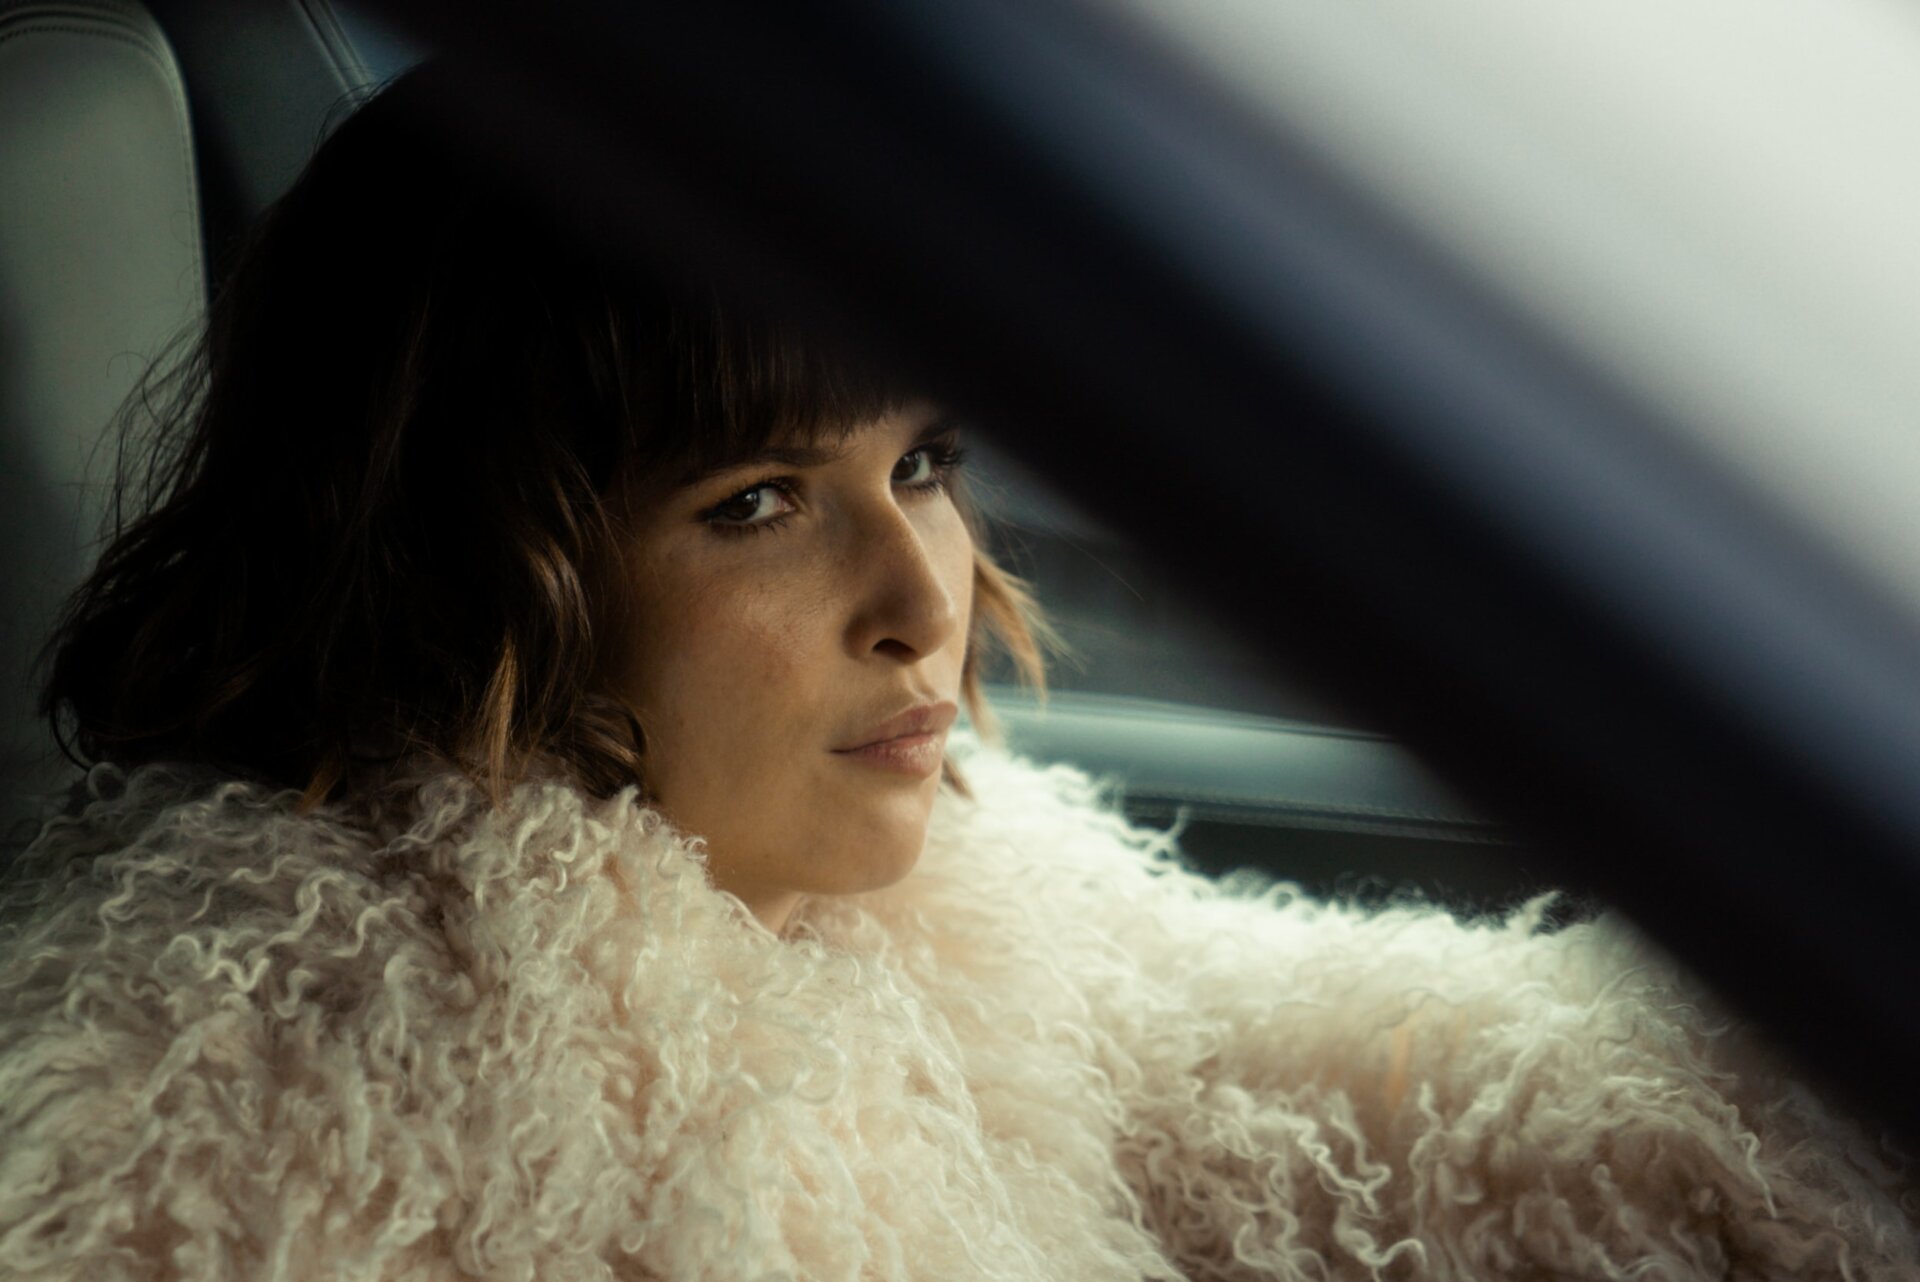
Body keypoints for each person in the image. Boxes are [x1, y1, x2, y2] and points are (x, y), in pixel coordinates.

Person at [1, 61, 1915, 1282]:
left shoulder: (947, 904)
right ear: (464, 563)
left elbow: (1416, 1095)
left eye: (922, 461)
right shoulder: (236, 1112)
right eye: (758, 502)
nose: (926, 595)